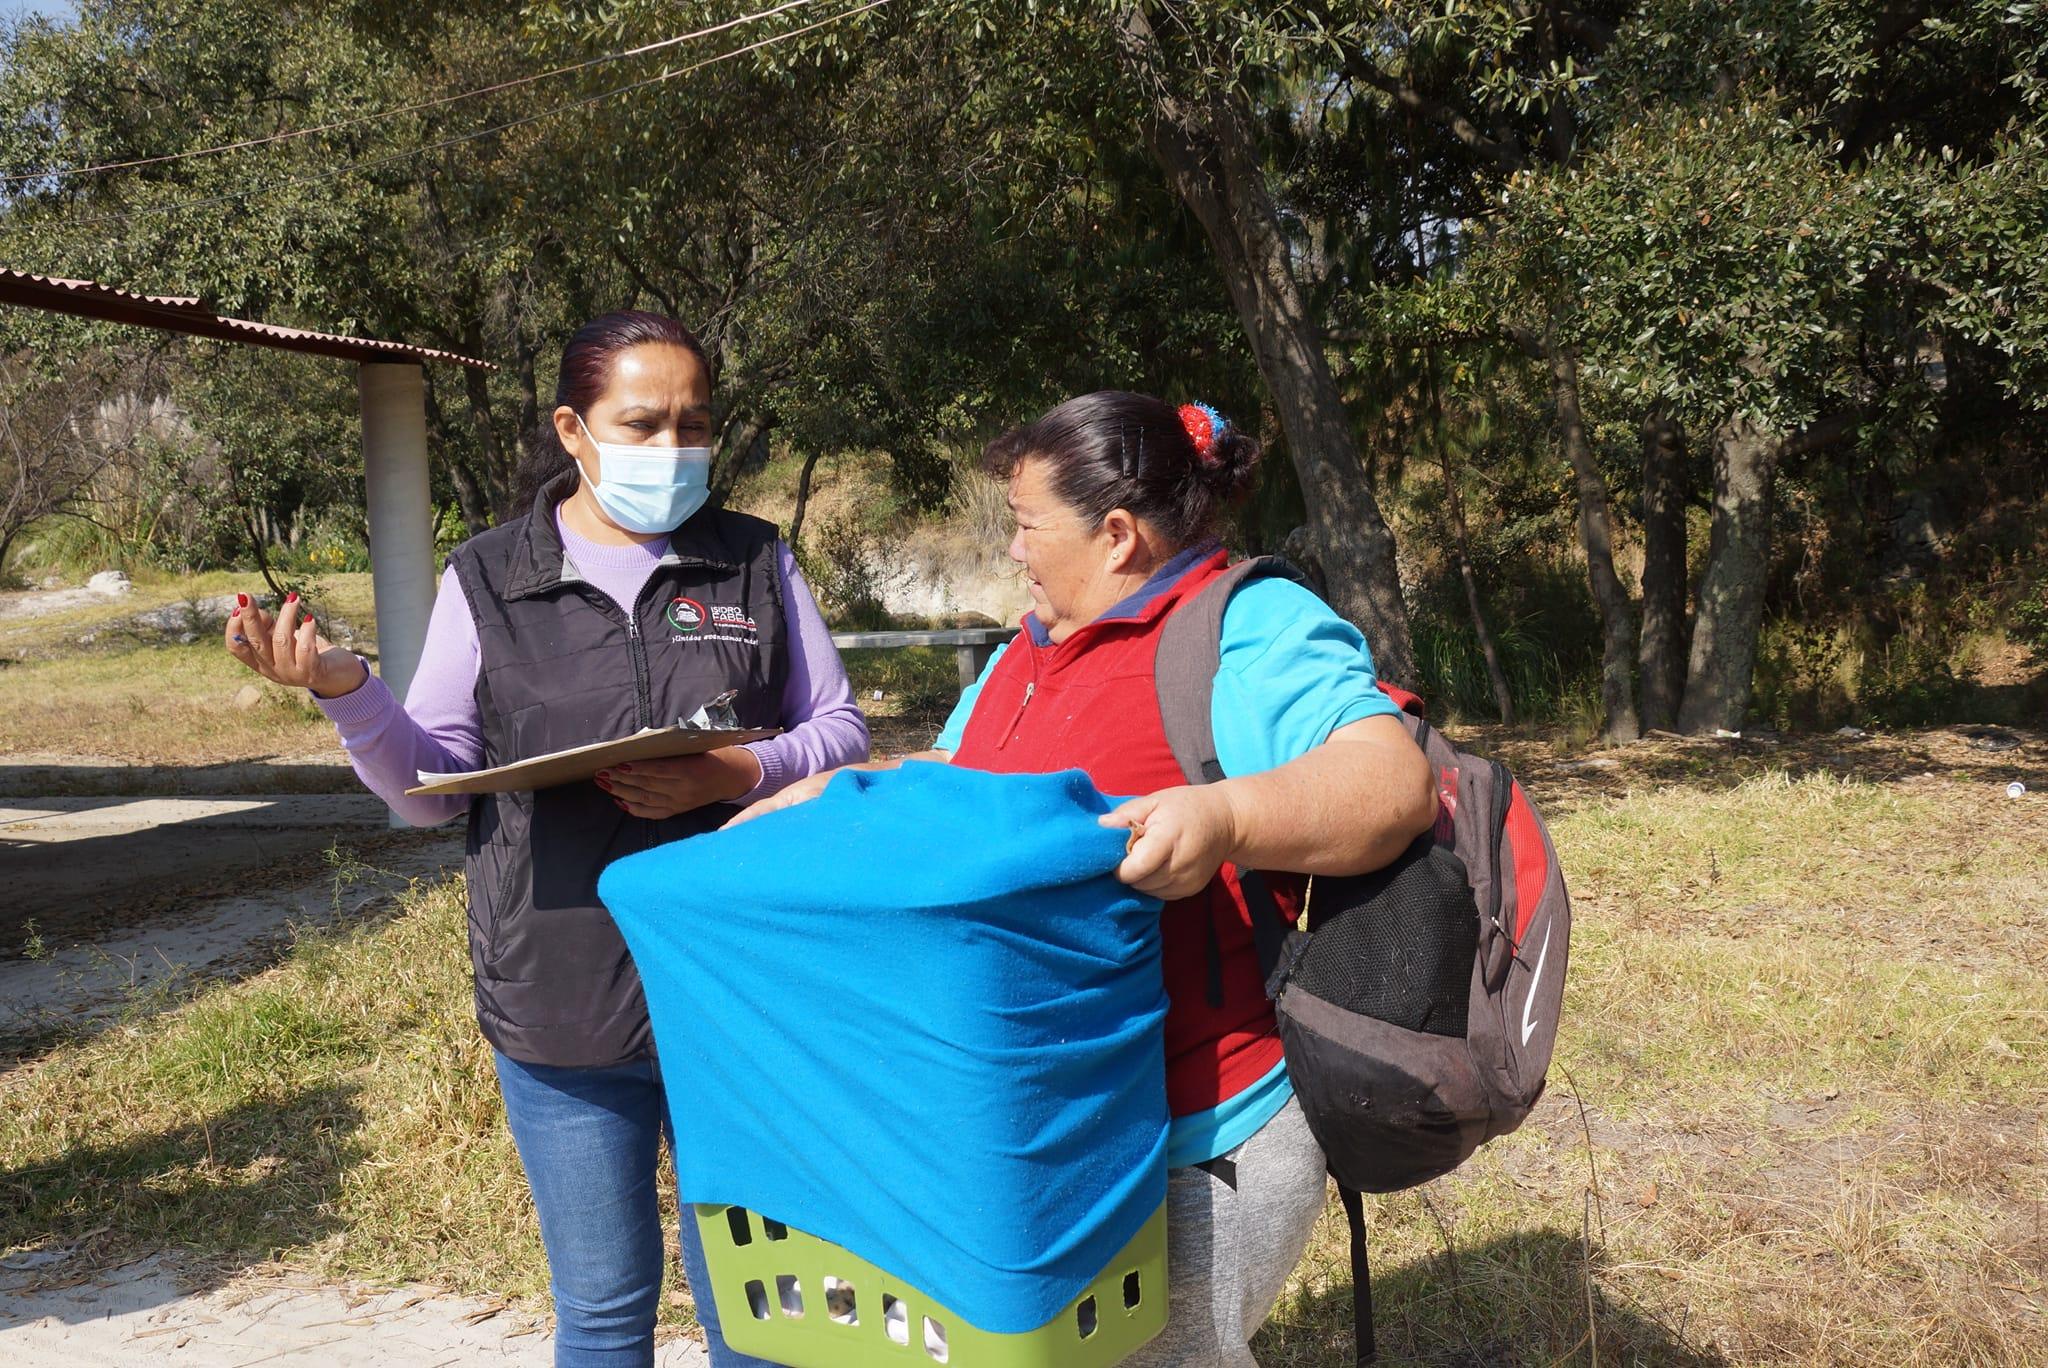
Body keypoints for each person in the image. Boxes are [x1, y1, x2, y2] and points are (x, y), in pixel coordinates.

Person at [224, 309, 868, 1368]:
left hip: (741, 991)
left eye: (693, 423)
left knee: (764, 1316)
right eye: (642, 423)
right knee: (605, 1316)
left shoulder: (754, 561)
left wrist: (731, 772)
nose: (673, 450)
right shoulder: (486, 577)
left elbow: (838, 729)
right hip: (559, 995)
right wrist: (348, 692)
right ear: (573, 430)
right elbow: (428, 791)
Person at [741, 390, 1436, 1366]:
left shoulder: (1243, 625)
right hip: (1043, 1129)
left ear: (1114, 534)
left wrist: (1223, 817)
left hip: (1197, 1138)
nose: (1014, 551)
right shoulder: (1032, 650)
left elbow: (1389, 780)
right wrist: (845, 789)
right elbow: (956, 781)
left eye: (1027, 526)